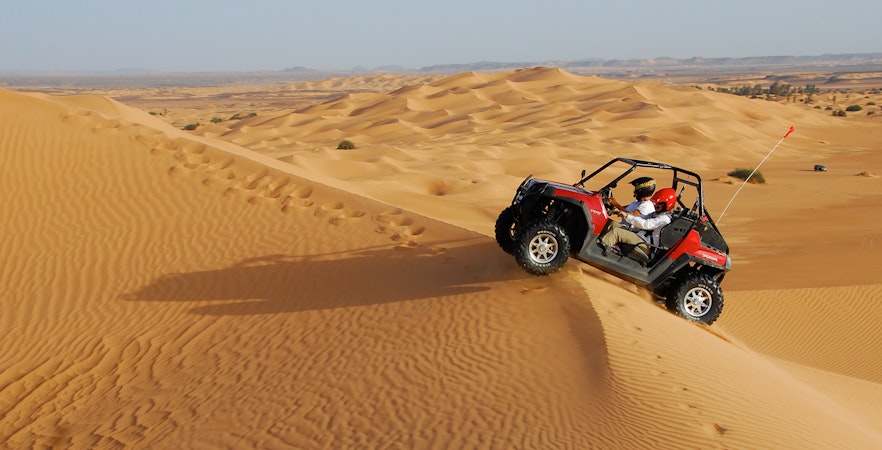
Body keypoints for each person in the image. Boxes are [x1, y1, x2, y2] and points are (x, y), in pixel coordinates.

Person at [599, 187, 677, 262]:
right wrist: (620, 212)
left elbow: (645, 224)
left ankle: (599, 252)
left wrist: (627, 216)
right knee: (612, 224)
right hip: (640, 237)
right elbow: (640, 218)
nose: (655, 206)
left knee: (616, 232)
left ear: (666, 205)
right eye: (655, 203)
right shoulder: (656, 214)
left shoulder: (664, 219)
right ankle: (597, 241)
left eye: (658, 205)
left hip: (646, 246)